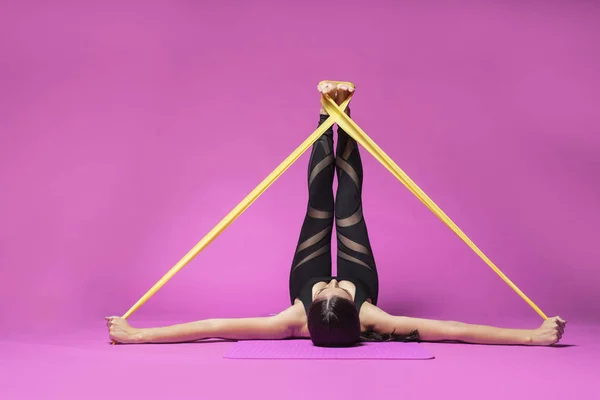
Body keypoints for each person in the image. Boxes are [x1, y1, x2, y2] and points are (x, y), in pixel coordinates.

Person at [105, 81, 566, 347]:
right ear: (354, 310)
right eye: (336, 288)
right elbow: (454, 331)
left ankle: (325, 113)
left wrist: (137, 336)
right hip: (363, 277)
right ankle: (343, 111)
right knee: (349, 204)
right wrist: (531, 337)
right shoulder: (372, 316)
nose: (330, 281)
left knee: (317, 205)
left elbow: (212, 328)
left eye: (326, 287)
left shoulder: (290, 320)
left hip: (298, 284)